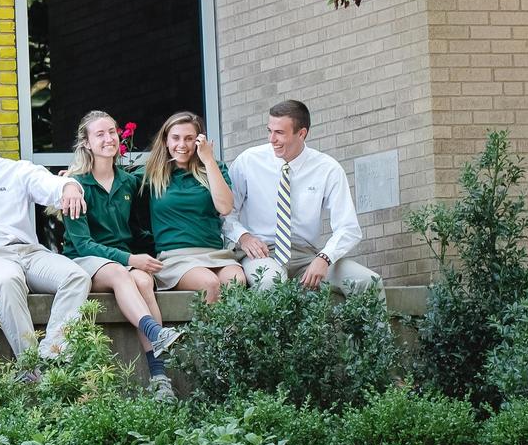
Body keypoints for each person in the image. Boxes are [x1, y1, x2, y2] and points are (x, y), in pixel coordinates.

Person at [0, 99, 90, 360]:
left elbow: (50, 185)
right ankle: (30, 365)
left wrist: (69, 187)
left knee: (77, 277)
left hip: (30, 253)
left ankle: (51, 356)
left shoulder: (17, 170)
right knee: (6, 281)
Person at [61, 111, 185, 399]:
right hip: (85, 261)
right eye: (100, 134)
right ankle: (157, 333)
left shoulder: (128, 183)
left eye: (112, 133)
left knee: (143, 281)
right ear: (87, 143)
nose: (108, 139)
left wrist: (168, 247)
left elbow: (136, 231)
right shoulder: (75, 186)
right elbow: (83, 244)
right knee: (123, 273)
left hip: (124, 263)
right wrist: (130, 259)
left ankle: (159, 377)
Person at [223, 100, 380, 293]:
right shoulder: (248, 161)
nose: (271, 139)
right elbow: (225, 213)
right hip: (261, 253)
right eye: (269, 130)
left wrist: (324, 258)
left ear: (301, 133)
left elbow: (349, 229)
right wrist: (244, 237)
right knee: (271, 282)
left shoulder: (327, 169)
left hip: (307, 257)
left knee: (368, 282)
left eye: (279, 133)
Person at [144, 111, 246, 301]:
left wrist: (208, 160)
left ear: (199, 141)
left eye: (189, 138)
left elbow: (224, 207)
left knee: (236, 280)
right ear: (166, 140)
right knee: (209, 283)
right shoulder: (151, 174)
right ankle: (209, 332)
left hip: (216, 253)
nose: (182, 145)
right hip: (175, 257)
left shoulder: (214, 168)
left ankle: (228, 332)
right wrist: (70, 185)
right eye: (176, 138)